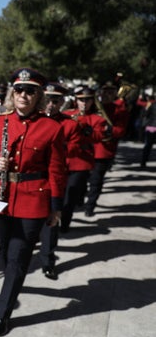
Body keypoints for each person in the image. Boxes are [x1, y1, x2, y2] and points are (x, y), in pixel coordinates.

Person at [0, 68, 66, 337]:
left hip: (34, 200)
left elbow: (57, 170)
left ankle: (3, 312)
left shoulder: (52, 128)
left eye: (30, 91)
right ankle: (11, 283)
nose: (23, 95)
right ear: (13, 93)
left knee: (18, 258)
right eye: (19, 90)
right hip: (2, 198)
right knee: (5, 254)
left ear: (39, 96)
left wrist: (56, 207)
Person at [38, 83, 104, 280]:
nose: (51, 104)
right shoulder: (33, 121)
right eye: (47, 100)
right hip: (33, 180)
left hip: (61, 174)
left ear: (62, 102)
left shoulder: (69, 124)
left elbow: (73, 148)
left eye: (56, 100)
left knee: (53, 218)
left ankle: (48, 260)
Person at [61, 86, 109, 231]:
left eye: (87, 100)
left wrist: (86, 130)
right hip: (62, 159)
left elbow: (99, 137)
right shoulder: (66, 114)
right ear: (76, 100)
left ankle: (64, 224)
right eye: (81, 99)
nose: (84, 103)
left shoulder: (97, 119)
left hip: (80, 161)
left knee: (70, 195)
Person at [83, 80, 129, 217]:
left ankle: (90, 206)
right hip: (86, 148)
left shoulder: (120, 110)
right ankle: (79, 200)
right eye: (104, 91)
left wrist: (108, 129)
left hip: (103, 150)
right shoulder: (93, 107)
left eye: (110, 92)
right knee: (81, 179)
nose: (106, 94)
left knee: (96, 181)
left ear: (115, 94)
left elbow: (121, 131)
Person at [140, 95, 156, 167]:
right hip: (152, 126)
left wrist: (146, 108)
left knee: (148, 145)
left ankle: (143, 161)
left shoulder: (151, 105)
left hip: (151, 126)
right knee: (148, 145)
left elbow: (145, 115)